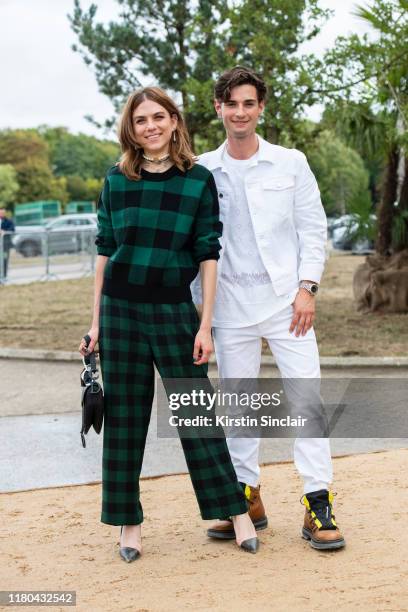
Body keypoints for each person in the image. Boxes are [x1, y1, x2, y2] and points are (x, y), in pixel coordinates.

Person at [79, 86, 258, 563]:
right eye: (140, 121)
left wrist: (205, 325)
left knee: (197, 414)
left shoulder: (197, 180)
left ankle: (235, 511)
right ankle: (128, 523)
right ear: (131, 130)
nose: (150, 126)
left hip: (175, 311)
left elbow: (208, 253)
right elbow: (103, 249)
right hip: (120, 310)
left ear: (174, 121)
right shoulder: (115, 180)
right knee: (125, 421)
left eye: (158, 117)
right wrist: (95, 323)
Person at [192, 66, 345, 550]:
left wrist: (308, 288)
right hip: (229, 308)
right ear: (219, 108)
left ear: (260, 108)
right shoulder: (199, 170)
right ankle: (247, 498)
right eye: (231, 104)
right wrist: (202, 315)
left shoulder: (291, 163)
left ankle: (316, 503)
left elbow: (311, 229)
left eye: (249, 104)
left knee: (307, 402)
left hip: (287, 305)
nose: (240, 112)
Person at [0, 207, 15, 282]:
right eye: (1, 212)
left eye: (3, 212)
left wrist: (4, 231)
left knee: (5, 260)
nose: (2, 214)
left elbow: (12, 229)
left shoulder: (8, 221)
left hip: (5, 245)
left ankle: (4, 276)